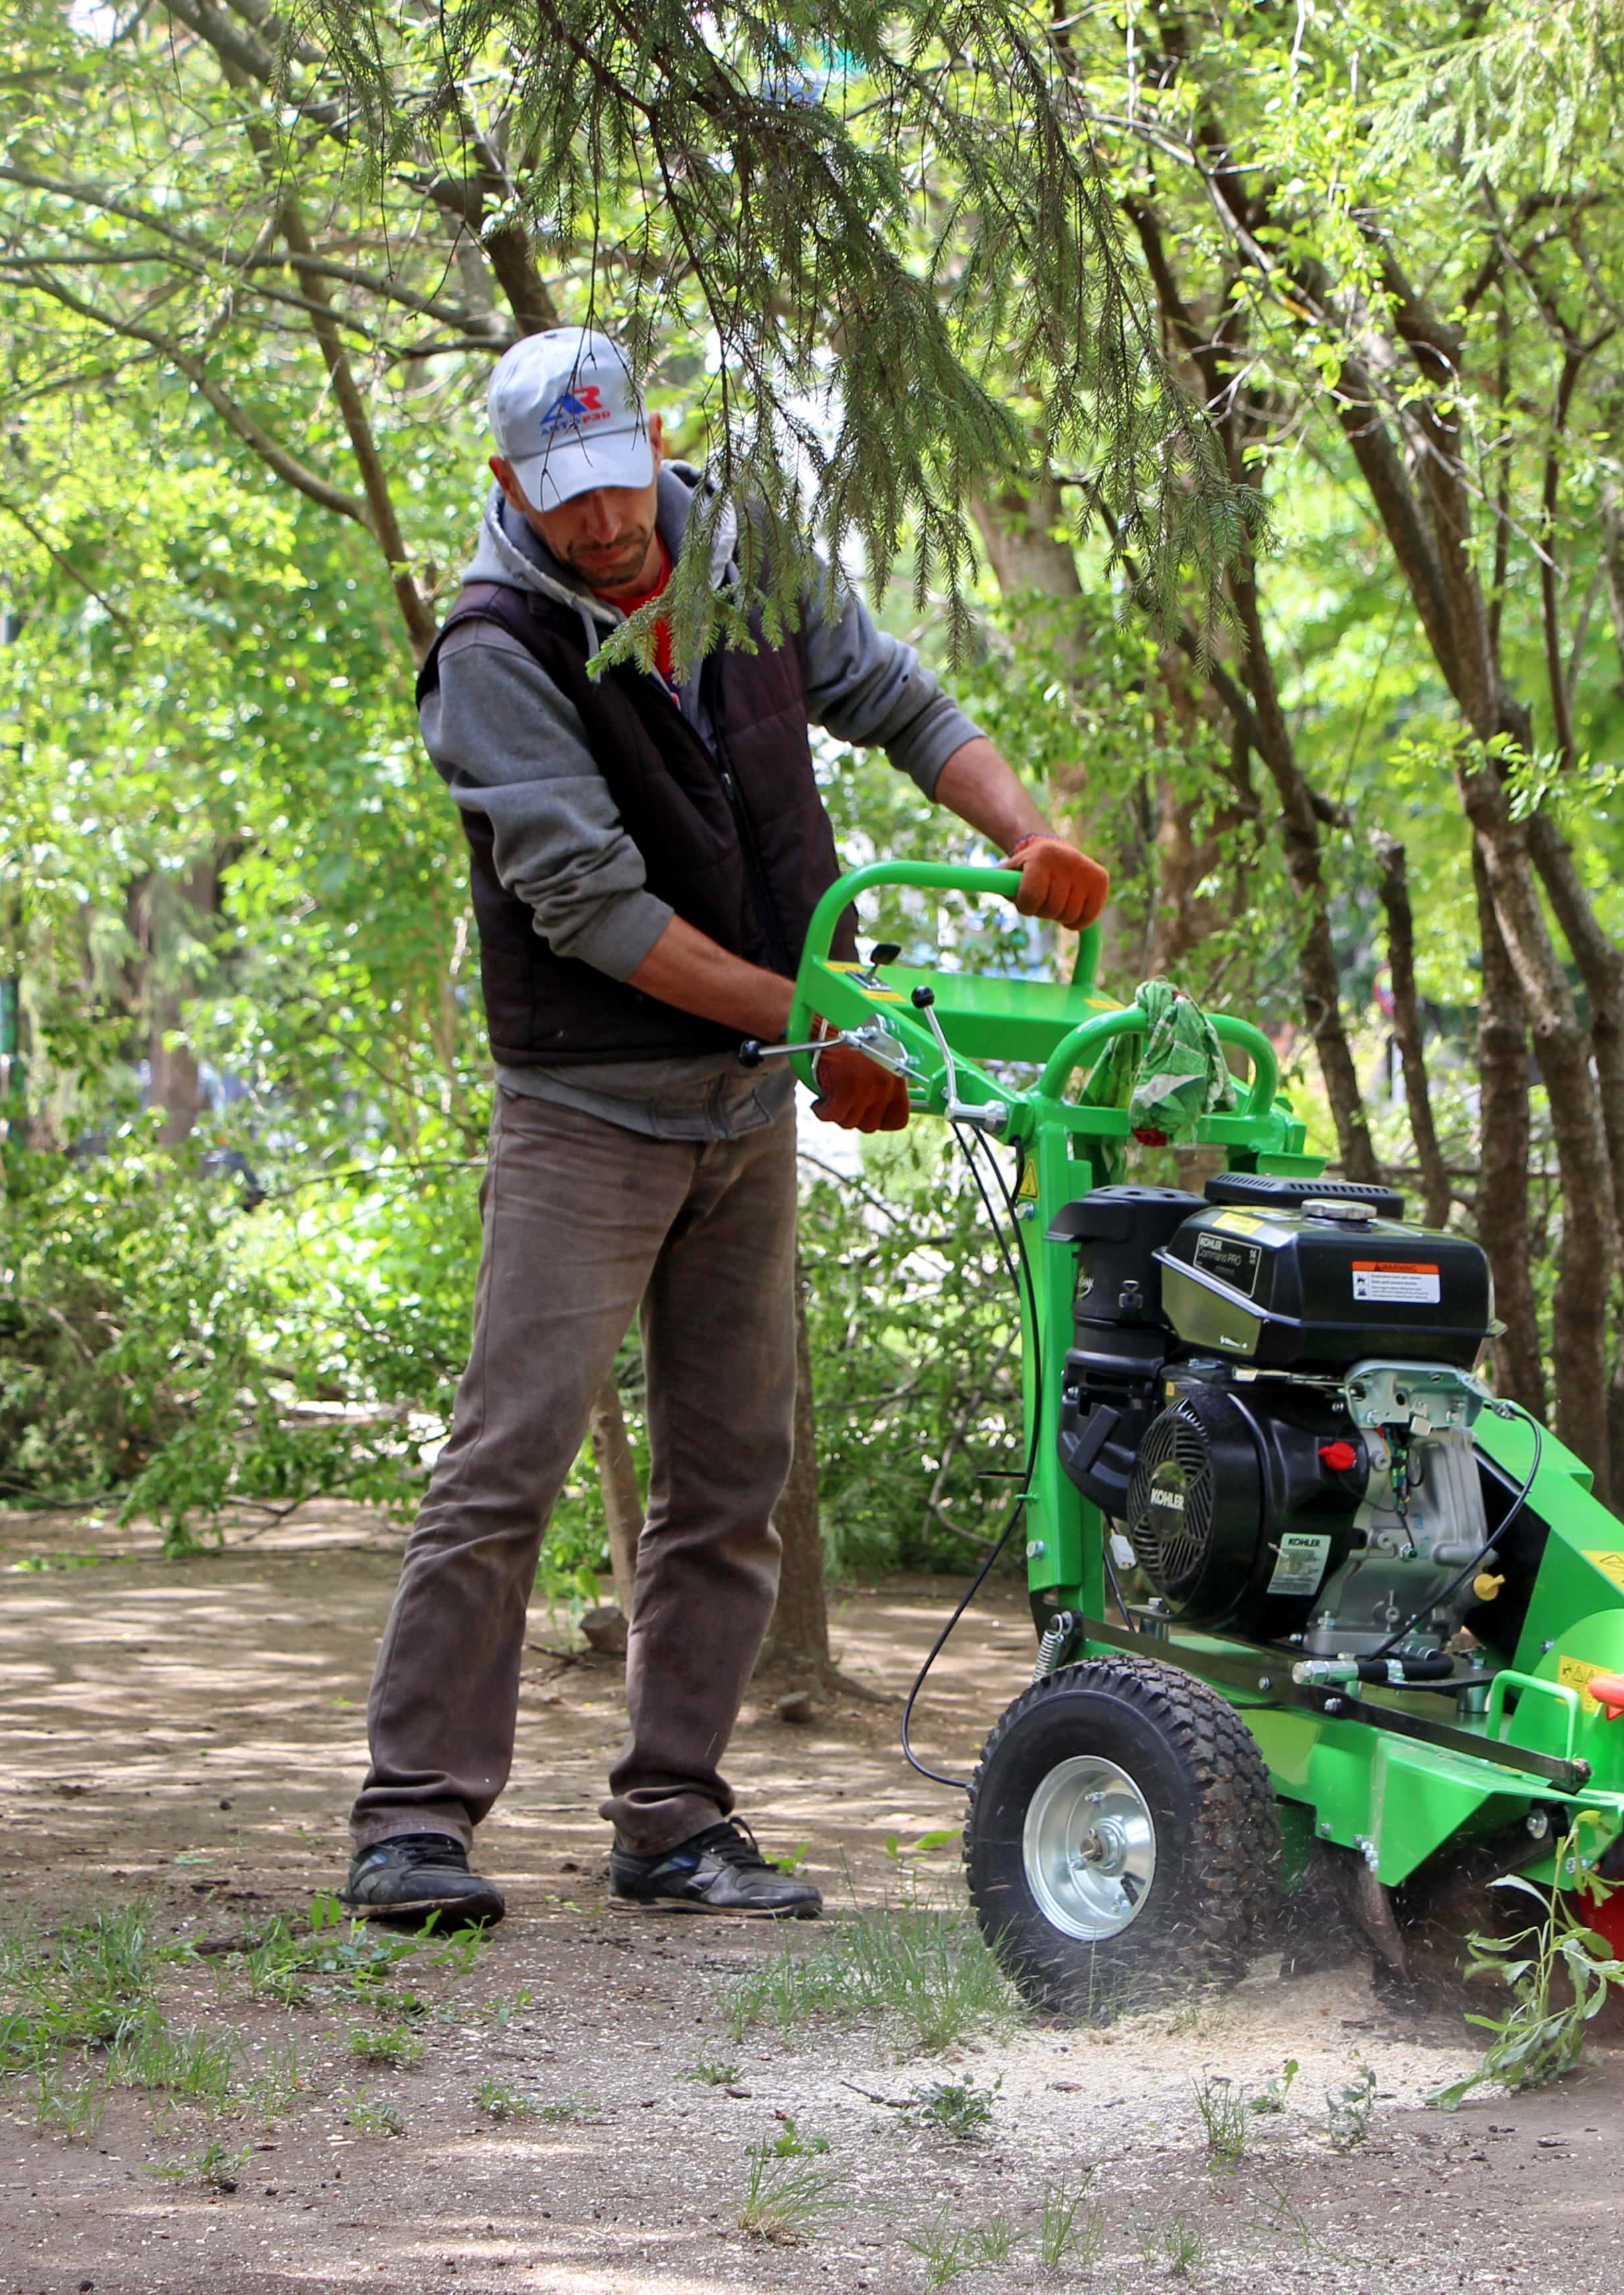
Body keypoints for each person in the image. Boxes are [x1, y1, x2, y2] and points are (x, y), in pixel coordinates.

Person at [341, 329, 1110, 1927]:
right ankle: (412, 1823)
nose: (605, 527)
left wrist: (1030, 831)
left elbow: (895, 696)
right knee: (509, 1459)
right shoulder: (492, 648)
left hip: (746, 1111)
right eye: (564, 504)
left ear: (655, 444)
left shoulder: (746, 559)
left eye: (619, 485)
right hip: (587, 1114)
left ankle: (674, 1821)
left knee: (733, 1471)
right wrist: (815, 1021)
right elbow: (597, 915)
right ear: (508, 489)